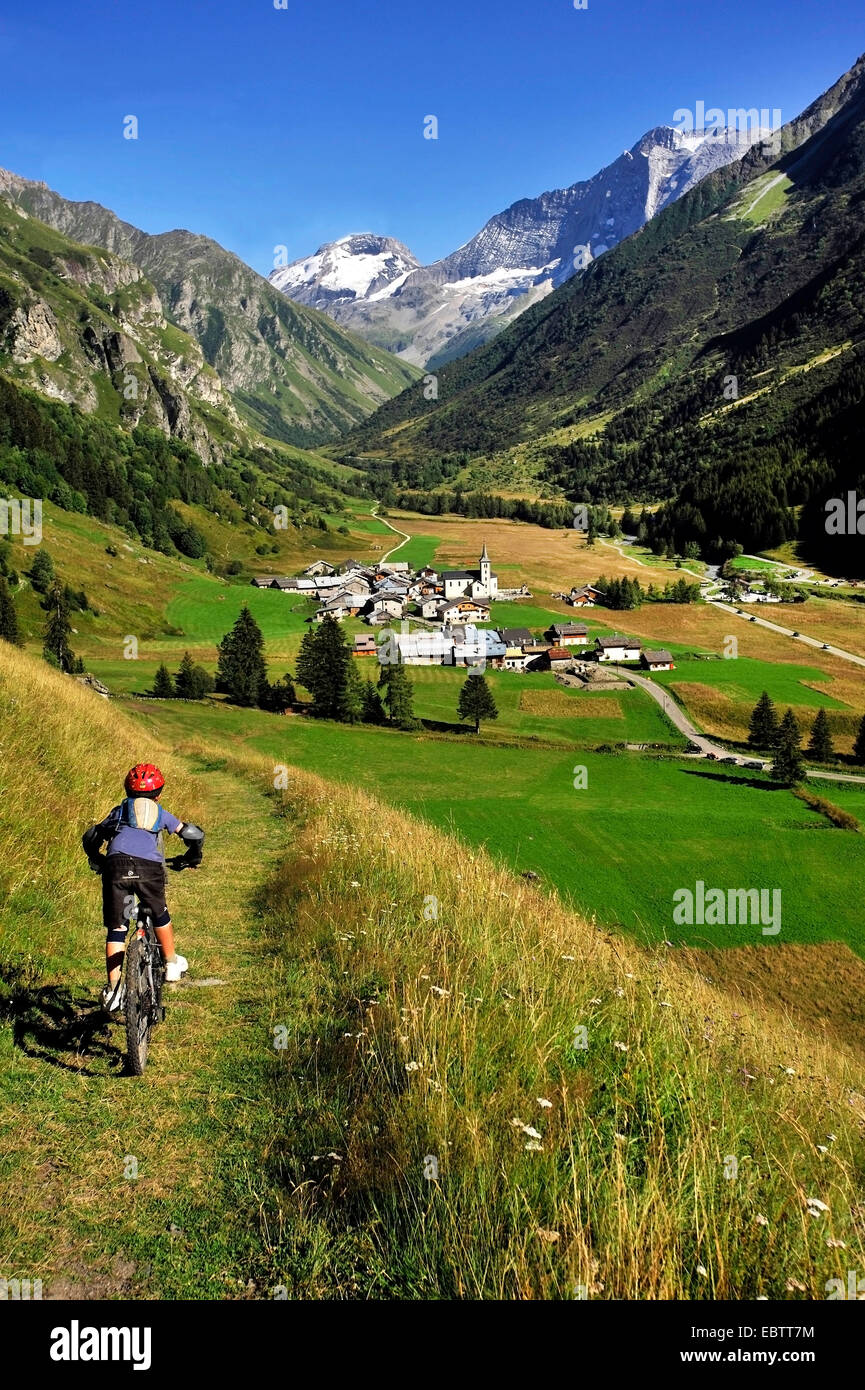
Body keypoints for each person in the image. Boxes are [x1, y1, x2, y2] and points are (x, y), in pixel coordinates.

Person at [82, 763, 204, 1013]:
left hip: (116, 866)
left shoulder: (119, 812)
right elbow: (191, 833)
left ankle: (114, 991)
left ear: (127, 791)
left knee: (118, 927)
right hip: (149, 868)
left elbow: (92, 836)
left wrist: (97, 858)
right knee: (159, 912)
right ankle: (171, 963)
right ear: (158, 794)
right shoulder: (160, 812)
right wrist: (193, 856)